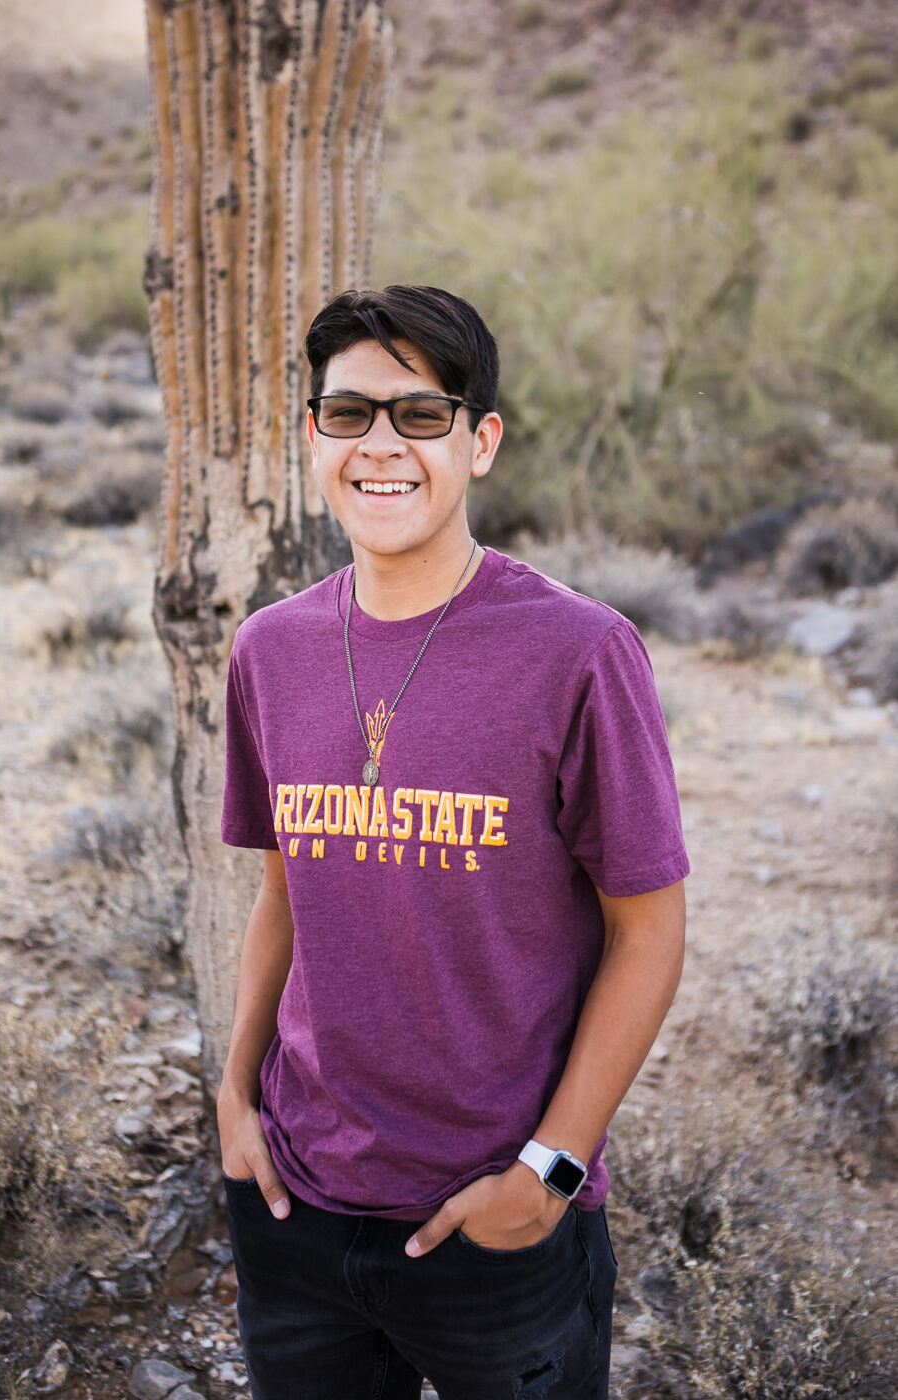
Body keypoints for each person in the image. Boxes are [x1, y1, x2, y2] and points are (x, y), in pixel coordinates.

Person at [217, 284, 689, 1400]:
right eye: (348, 414)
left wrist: (551, 1171)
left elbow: (649, 931)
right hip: (295, 1201)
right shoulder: (268, 650)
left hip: (497, 1223)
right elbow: (286, 891)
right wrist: (234, 1100)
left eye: (419, 415)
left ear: (480, 441)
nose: (380, 446)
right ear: (315, 437)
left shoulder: (579, 652)